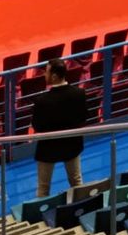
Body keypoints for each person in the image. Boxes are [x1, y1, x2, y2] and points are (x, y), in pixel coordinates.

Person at [30, 60, 88, 197]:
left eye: (47, 72)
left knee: (43, 188)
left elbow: (37, 126)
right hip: (72, 144)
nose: (44, 75)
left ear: (54, 76)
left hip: (48, 148)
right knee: (77, 182)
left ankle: (40, 210)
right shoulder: (79, 93)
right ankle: (82, 205)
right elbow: (83, 117)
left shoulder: (41, 101)